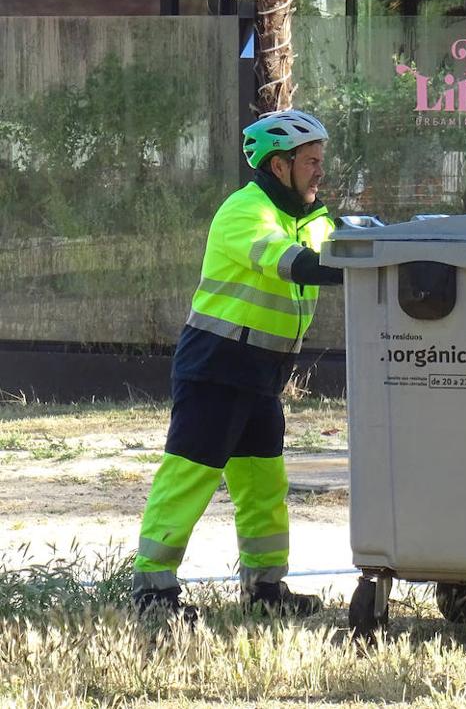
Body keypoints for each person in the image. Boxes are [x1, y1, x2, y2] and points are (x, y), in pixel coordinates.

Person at [132, 109, 344, 618]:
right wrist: (361, 258)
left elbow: (330, 254)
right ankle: (153, 595)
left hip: (263, 374)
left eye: (321, 161)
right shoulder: (243, 211)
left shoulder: (312, 217)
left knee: (263, 486)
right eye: (311, 162)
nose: (320, 171)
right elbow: (297, 264)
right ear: (279, 166)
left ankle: (265, 592)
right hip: (216, 367)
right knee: (189, 478)